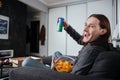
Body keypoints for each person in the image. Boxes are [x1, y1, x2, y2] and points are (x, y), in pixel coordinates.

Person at [22, 14, 111, 75]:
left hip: (63, 74)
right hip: (74, 65)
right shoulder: (95, 42)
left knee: (26, 62)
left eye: (91, 26)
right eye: (86, 25)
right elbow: (80, 39)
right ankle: (45, 65)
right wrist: (67, 26)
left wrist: (58, 68)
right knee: (56, 53)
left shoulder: (92, 50)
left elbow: (73, 75)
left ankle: (46, 66)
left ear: (102, 31)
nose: (85, 29)